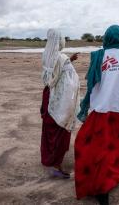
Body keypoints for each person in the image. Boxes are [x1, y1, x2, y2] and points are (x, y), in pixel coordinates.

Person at [74, 25, 119, 205]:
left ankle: (103, 186)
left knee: (99, 147)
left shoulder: (99, 57)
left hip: (103, 109)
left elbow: (93, 82)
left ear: (107, 37)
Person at [40, 29, 80, 178]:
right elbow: (67, 82)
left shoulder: (47, 55)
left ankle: (48, 159)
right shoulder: (62, 58)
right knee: (60, 129)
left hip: (48, 95)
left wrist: (70, 59)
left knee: (49, 129)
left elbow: (55, 71)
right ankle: (56, 166)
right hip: (59, 99)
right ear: (59, 41)